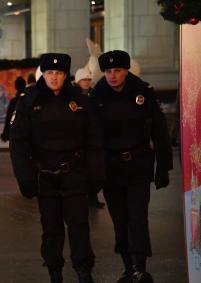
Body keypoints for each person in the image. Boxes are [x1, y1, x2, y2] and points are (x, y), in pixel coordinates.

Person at [10, 53, 104, 283]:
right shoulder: (29, 101)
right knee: (51, 230)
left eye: (59, 73)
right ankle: (55, 272)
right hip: (46, 177)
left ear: (65, 75)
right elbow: (18, 144)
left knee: (79, 226)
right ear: (44, 73)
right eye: (50, 73)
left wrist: (96, 175)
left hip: (75, 174)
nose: (54, 77)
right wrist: (26, 178)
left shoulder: (80, 101)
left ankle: (84, 271)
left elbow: (94, 140)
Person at [90, 50, 173, 283]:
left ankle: (140, 267)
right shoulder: (97, 96)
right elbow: (91, 137)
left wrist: (164, 166)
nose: (113, 75)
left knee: (137, 217)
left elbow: (159, 131)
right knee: (120, 219)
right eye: (108, 71)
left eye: (117, 70)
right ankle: (128, 266)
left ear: (126, 70)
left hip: (138, 165)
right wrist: (93, 171)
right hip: (111, 167)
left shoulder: (143, 93)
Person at [73, 68, 105, 209]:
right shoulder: (73, 97)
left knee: (93, 172)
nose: (86, 82)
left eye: (88, 80)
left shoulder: (94, 95)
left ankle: (92, 198)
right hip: (80, 141)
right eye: (83, 80)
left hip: (92, 140)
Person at [0, 76, 26, 142]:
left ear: (16, 87)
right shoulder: (29, 99)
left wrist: (5, 133)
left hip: (16, 133)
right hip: (28, 133)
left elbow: (9, 118)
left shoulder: (14, 101)